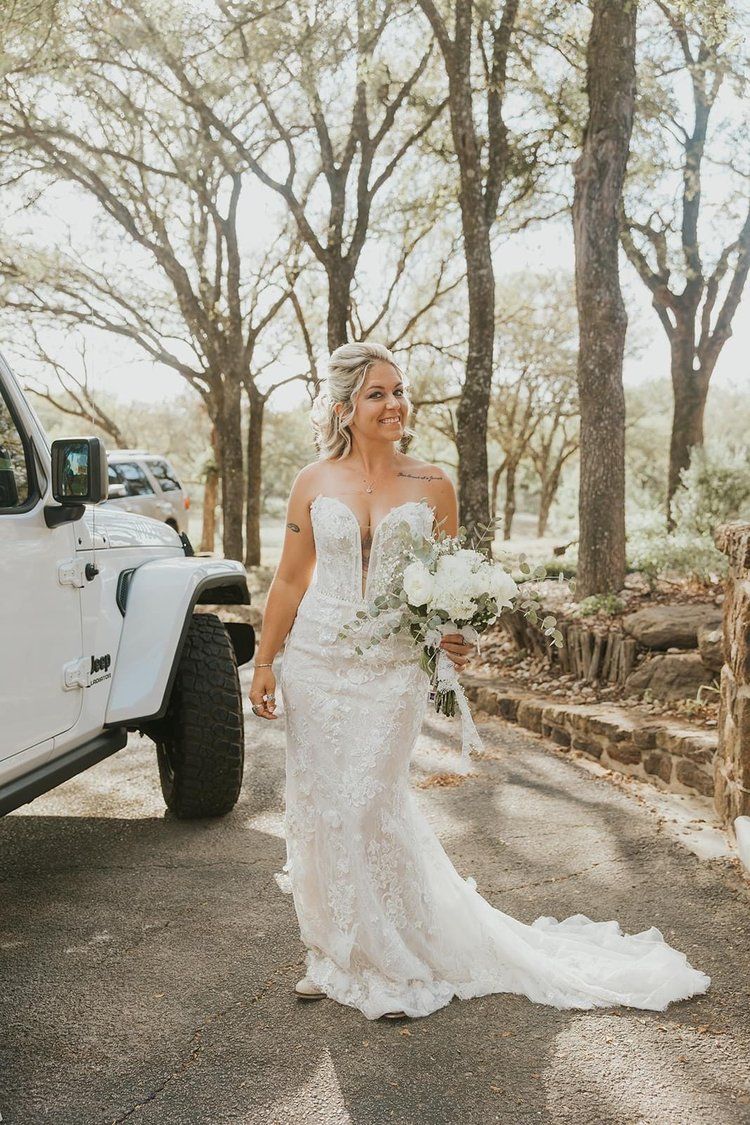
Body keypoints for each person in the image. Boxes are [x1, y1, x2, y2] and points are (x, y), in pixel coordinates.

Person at [249, 341, 710, 1021]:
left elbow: (443, 584)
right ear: (345, 406)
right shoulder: (312, 481)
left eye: (400, 390)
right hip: (318, 661)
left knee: (370, 800)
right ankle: (334, 951)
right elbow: (291, 578)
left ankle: (393, 948)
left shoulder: (431, 482)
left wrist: (454, 633)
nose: (395, 404)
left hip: (393, 669)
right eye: (378, 393)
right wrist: (265, 660)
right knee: (321, 804)